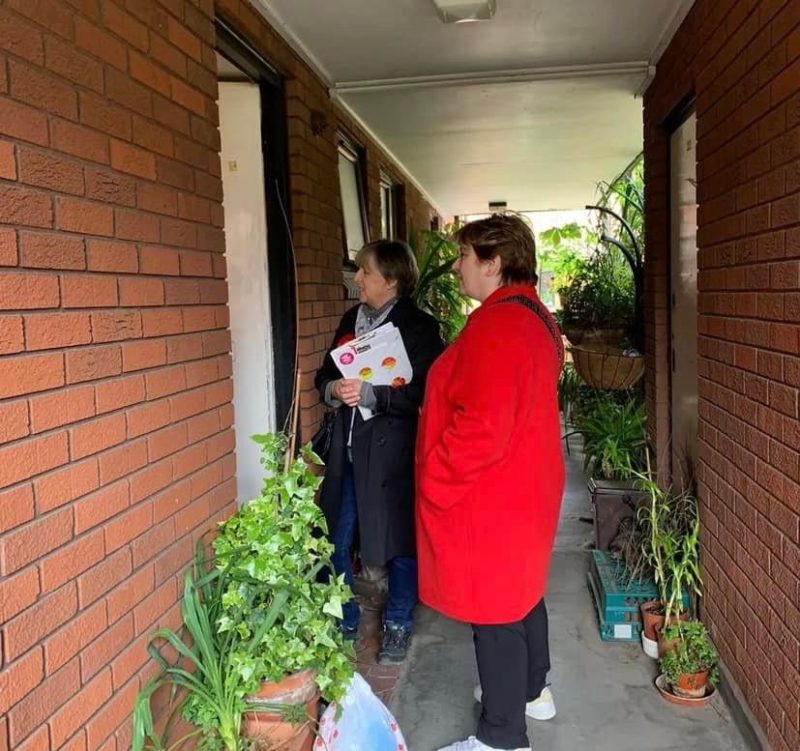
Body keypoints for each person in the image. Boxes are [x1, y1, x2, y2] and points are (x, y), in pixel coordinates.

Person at [416, 214, 565, 751]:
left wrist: (434, 477)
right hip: (524, 484)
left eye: (463, 257)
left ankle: (503, 737)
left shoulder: (500, 326)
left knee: (495, 609)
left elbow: (482, 426)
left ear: (493, 263)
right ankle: (531, 691)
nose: (456, 267)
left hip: (493, 492)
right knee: (522, 593)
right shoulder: (532, 316)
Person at [315, 239, 444, 664]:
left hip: (394, 459)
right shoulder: (351, 318)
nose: (357, 279)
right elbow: (325, 375)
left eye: (365, 272)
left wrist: (376, 395)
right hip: (348, 455)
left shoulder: (421, 329)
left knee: (399, 543)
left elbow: (428, 395)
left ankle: (399, 622)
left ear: (390, 280)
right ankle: (346, 616)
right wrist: (333, 389)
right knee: (335, 537)